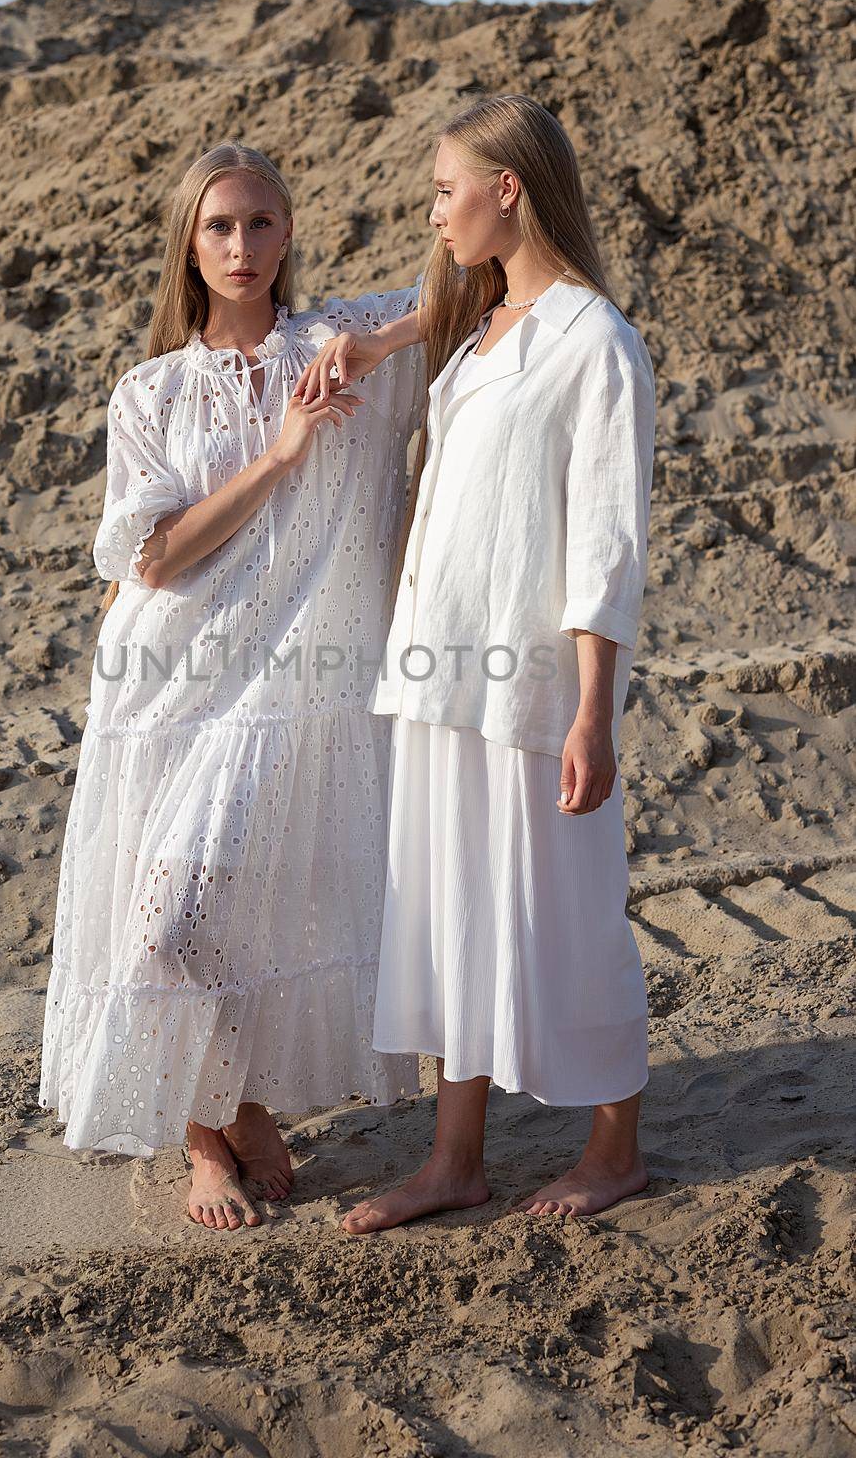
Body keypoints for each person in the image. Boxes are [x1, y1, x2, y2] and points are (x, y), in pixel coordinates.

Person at [37, 141, 428, 1233]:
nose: (242, 245)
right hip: (168, 686)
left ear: (288, 233)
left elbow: (473, 289)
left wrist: (370, 342)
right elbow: (150, 557)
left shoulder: (332, 342)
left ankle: (241, 1102)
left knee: (241, 911)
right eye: (219, 227)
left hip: (293, 686)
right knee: (163, 924)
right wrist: (280, 450)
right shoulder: (151, 389)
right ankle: (209, 1135)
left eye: (261, 223)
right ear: (188, 245)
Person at [294, 94, 657, 1233]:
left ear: (509, 189)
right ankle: (455, 1158)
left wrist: (594, 709)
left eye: (446, 190)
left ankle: (615, 1149)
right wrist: (383, 339)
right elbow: (439, 304)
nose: (432, 213)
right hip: (437, 667)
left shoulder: (595, 341)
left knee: (571, 910)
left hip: (532, 686)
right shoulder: (483, 326)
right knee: (449, 912)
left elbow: (606, 536)